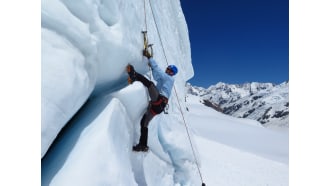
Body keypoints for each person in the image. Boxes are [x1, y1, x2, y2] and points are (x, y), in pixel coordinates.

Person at [126, 49, 178, 152]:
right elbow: (157, 76)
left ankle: (134, 75)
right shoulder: (164, 79)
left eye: (169, 70)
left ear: (171, 73)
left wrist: (150, 58)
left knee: (150, 84)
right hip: (158, 106)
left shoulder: (169, 78)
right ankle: (143, 145)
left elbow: (158, 71)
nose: (167, 70)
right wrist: (152, 67)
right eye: (167, 69)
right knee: (144, 123)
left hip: (159, 101)